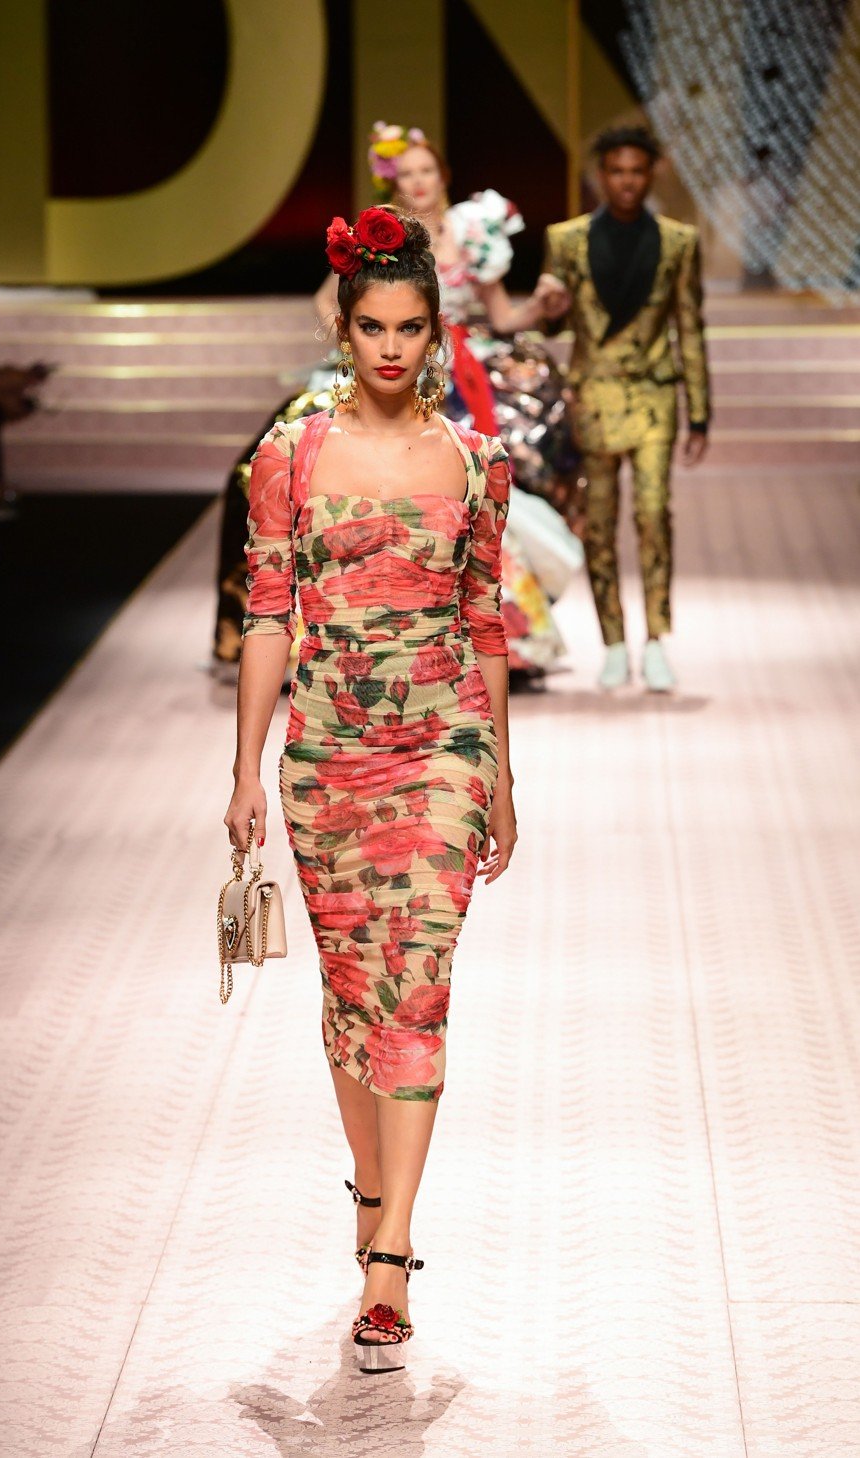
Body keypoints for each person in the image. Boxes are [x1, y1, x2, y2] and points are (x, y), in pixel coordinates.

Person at [224, 208, 517, 1371]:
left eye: (410, 327)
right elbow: (265, 614)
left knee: (420, 986)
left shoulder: (475, 462)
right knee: (357, 995)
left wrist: (498, 771)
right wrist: (243, 769)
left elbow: (487, 622)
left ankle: (391, 1250)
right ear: (343, 330)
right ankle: (371, 1209)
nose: (390, 347)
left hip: (441, 748)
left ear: (436, 332)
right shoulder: (289, 455)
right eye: (371, 327)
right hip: (328, 753)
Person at [211, 122, 576, 681]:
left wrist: (545, 307)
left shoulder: (473, 230)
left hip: (459, 380)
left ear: (443, 175)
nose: (419, 181)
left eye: (427, 170)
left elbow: (503, 316)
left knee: (481, 479)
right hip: (391, 370)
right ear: (392, 182)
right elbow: (325, 297)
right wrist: (359, 344)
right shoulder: (380, 240)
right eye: (406, 173)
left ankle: (491, 636)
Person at [543, 125, 711, 692]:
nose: (626, 182)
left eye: (636, 171)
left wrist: (700, 413)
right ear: (601, 175)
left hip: (656, 393)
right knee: (602, 522)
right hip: (594, 394)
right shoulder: (565, 240)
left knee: (653, 513)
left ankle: (656, 639)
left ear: (651, 173)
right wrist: (548, 306)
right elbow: (556, 320)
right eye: (616, 171)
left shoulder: (679, 240)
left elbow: (690, 326)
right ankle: (613, 640)